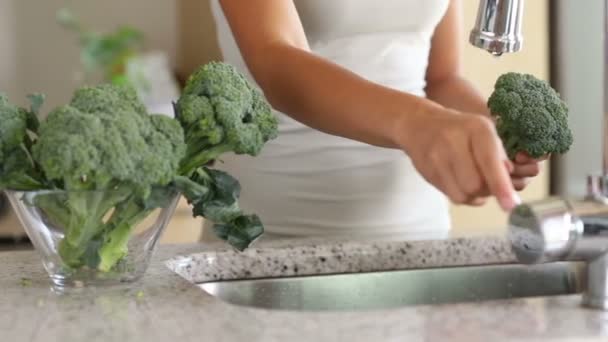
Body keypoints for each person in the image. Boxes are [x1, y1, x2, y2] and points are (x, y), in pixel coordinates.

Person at [204, 0, 543, 241]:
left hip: (418, 232)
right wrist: (417, 123)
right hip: (271, 230)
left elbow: (441, 78)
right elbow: (275, 57)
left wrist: (494, 135)